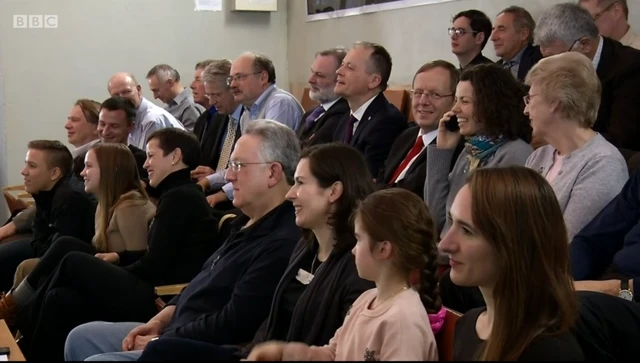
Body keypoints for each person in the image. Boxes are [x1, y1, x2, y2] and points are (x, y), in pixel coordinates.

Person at [64, 120, 300, 361]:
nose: (229, 176)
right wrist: (159, 321)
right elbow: (200, 281)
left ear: (273, 173)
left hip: (194, 346)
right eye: (231, 165)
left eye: (239, 166)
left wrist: (164, 338)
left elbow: (235, 321)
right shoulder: (242, 222)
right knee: (80, 336)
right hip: (174, 328)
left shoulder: (281, 240)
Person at [136, 143, 376, 360]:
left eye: (301, 183)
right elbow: (271, 322)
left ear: (334, 192)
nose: (291, 193)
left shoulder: (356, 267)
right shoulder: (306, 248)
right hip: (253, 354)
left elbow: (343, 349)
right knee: (161, 351)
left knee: (161, 351)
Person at [13, 129, 219, 360]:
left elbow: (154, 265)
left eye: (151, 156)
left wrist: (114, 270)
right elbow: (159, 254)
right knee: (59, 297)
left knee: (73, 260)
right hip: (154, 287)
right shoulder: (178, 195)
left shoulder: (180, 197)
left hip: (159, 298)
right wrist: (119, 258)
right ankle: (27, 349)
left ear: (175, 156)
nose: (146, 164)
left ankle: (17, 322)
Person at [248, 188, 444, 361]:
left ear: (383, 249)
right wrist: (284, 354)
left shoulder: (403, 322)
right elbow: (334, 354)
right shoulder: (366, 299)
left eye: (359, 239)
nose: (353, 250)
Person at [0, 143, 155, 323]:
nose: (82, 173)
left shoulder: (130, 207)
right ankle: (19, 329)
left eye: (88, 166)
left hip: (125, 288)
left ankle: (13, 311)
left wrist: (107, 261)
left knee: (65, 247)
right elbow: (39, 238)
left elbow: (139, 264)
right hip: (107, 274)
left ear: (110, 170)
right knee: (57, 295)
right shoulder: (105, 204)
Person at [440, 166, 584, 360]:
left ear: (513, 244)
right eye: (452, 221)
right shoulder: (467, 325)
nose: (444, 244)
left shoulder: (550, 353)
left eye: (467, 231)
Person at [524, 52, 627, 240]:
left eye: (530, 98)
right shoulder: (539, 156)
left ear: (554, 102)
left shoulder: (603, 164)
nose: (525, 109)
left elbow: (569, 246)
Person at [425, 63, 532, 244]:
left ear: (491, 105)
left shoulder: (515, 154)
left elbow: (488, 236)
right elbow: (434, 219)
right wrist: (443, 152)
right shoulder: (471, 150)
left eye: (465, 101)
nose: (455, 109)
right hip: (446, 252)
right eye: (456, 100)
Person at [0, 141, 96, 293]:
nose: (23, 171)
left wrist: (41, 242)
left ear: (54, 173)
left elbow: (56, 251)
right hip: (45, 247)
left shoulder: (70, 198)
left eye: (32, 166)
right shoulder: (45, 191)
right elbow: (38, 236)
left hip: (67, 261)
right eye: (26, 164)